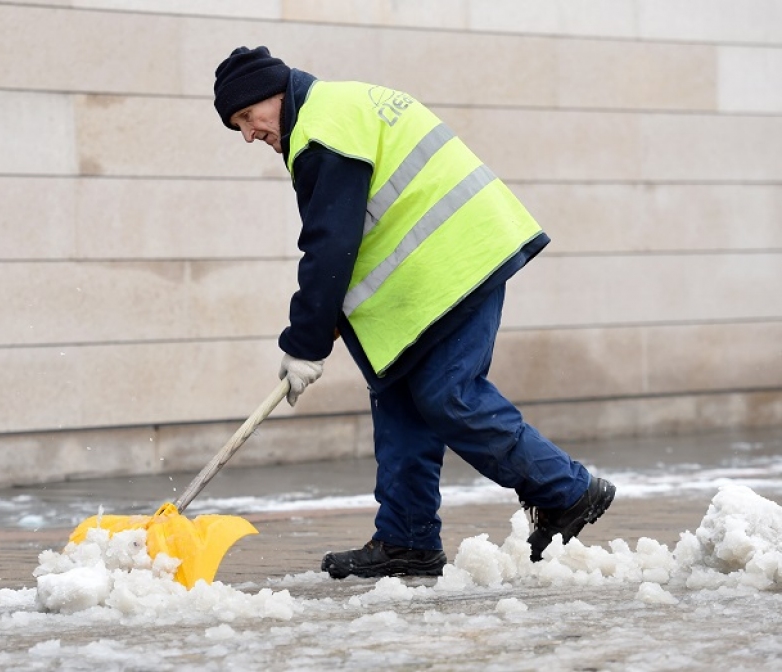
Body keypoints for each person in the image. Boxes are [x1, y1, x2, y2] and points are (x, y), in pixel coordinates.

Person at [212, 46, 615, 578]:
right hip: (429, 276)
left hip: (456, 263)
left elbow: (330, 246)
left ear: (274, 93)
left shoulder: (320, 132)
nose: (249, 134)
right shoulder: (337, 107)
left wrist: (304, 341)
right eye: (238, 126)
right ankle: (407, 540)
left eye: (248, 116)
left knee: (449, 394)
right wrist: (328, 320)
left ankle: (567, 490)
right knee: (400, 400)